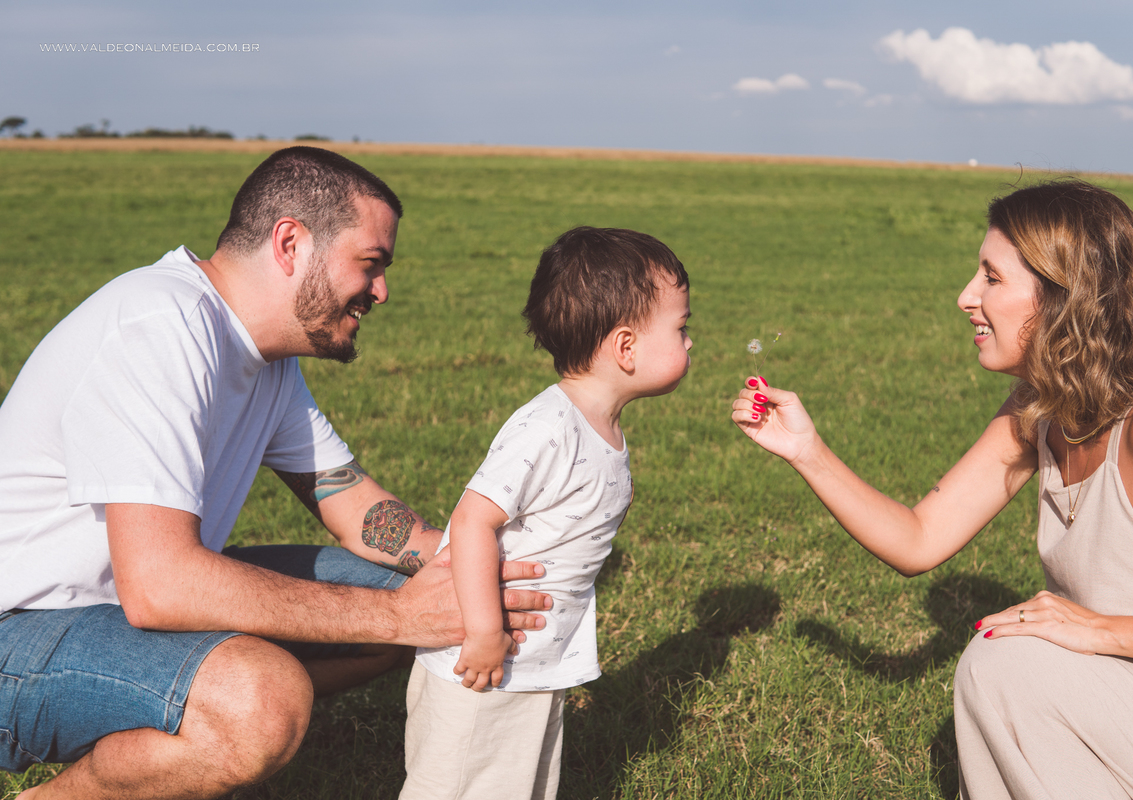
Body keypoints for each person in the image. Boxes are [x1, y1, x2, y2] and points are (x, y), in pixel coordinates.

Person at [0, 146, 550, 800]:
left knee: (418, 591)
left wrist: (475, 567)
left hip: (115, 614)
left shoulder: (266, 360)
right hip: (20, 630)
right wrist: (399, 617)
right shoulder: (159, 324)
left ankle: (177, 731)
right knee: (261, 701)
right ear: (291, 243)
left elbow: (356, 509)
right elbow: (161, 586)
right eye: (370, 263)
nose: (381, 291)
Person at [732, 180, 1133, 799]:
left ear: (1067, 297)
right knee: (1006, 657)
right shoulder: (1040, 410)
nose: (966, 297)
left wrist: (1100, 630)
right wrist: (807, 451)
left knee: (1004, 664)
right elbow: (919, 539)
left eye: (992, 278)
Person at [399, 227, 693, 799]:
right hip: (483, 665)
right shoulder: (549, 427)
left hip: (534, 662)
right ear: (626, 347)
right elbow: (473, 520)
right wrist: (485, 632)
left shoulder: (601, 427)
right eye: (681, 328)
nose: (690, 341)